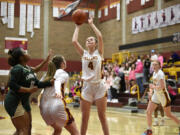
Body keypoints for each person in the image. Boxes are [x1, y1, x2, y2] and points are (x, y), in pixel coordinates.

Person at [72, 17, 109, 135]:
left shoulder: (100, 52)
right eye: (87, 40)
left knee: (102, 116)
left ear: (96, 44)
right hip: (87, 87)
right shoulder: (84, 53)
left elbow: (100, 36)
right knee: (84, 118)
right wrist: (77, 27)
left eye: (91, 39)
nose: (89, 41)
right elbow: (74, 41)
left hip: (99, 86)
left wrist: (92, 24)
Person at [4, 47, 53, 135]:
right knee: (23, 130)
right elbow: (12, 84)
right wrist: (28, 90)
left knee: (27, 128)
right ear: (21, 57)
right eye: (25, 52)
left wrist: (50, 83)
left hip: (24, 101)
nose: (27, 53)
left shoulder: (27, 68)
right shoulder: (17, 68)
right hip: (14, 101)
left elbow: (38, 83)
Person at [39, 55, 79, 135]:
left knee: (58, 130)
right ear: (62, 63)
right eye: (64, 60)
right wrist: (58, 91)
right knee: (75, 133)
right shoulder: (62, 73)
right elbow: (57, 81)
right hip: (56, 106)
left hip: (44, 109)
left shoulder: (47, 74)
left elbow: (38, 84)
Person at [142, 60, 180, 135]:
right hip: (156, 94)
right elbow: (153, 84)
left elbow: (162, 86)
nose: (154, 66)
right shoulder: (154, 73)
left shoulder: (160, 74)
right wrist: (151, 92)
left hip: (163, 95)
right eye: (153, 65)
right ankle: (149, 130)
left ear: (159, 66)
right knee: (148, 112)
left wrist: (153, 87)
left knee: (168, 114)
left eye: (156, 65)